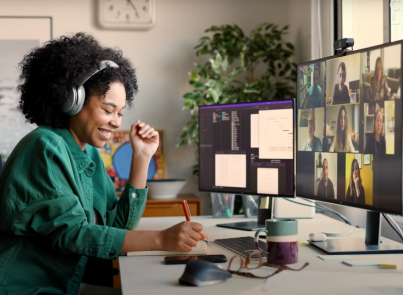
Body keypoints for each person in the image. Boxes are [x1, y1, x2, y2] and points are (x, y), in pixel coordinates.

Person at [0, 33, 205, 294]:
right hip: (30, 288)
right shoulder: (44, 147)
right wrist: (160, 238)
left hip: (70, 282)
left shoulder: (88, 152)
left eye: (120, 113)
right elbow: (72, 235)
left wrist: (141, 157)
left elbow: (118, 228)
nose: (117, 123)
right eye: (108, 111)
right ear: (70, 101)